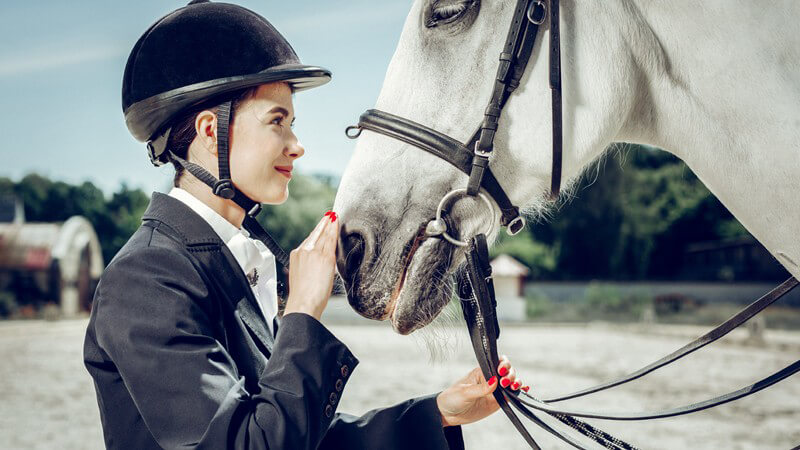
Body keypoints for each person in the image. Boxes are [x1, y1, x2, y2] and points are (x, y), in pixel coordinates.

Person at [83, 1, 527, 448]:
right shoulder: (145, 280)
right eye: (277, 122)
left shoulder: (227, 263)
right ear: (210, 131)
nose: (297, 147)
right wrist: (302, 312)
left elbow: (296, 434)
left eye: (293, 124)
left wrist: (436, 415)